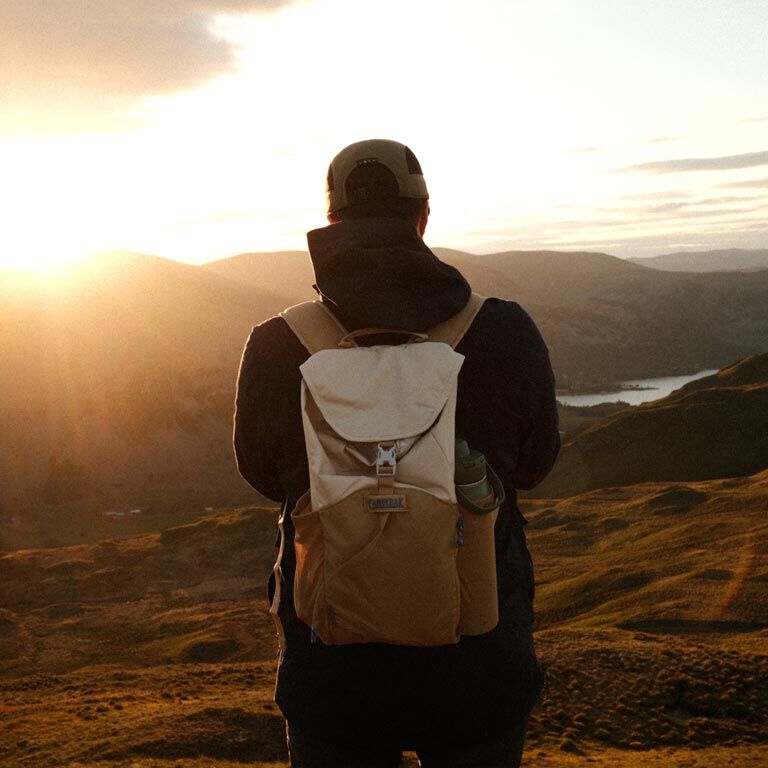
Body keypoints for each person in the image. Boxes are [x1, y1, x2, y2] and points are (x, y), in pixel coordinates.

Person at [234, 139, 560, 767]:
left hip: (333, 668)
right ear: (424, 216)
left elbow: (259, 472)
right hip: (478, 666)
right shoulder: (505, 331)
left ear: (330, 224)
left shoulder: (277, 343)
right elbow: (537, 464)